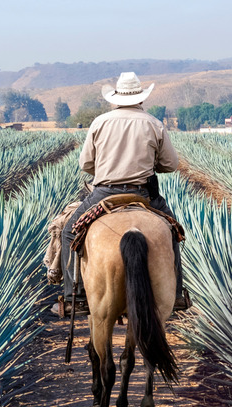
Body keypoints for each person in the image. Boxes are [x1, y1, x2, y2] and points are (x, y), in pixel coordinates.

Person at [54, 72, 190, 315]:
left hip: (104, 193)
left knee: (68, 232)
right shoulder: (153, 123)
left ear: (116, 98)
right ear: (140, 98)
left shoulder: (100, 122)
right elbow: (170, 165)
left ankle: (75, 296)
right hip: (144, 194)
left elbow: (86, 164)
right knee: (172, 232)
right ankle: (176, 296)